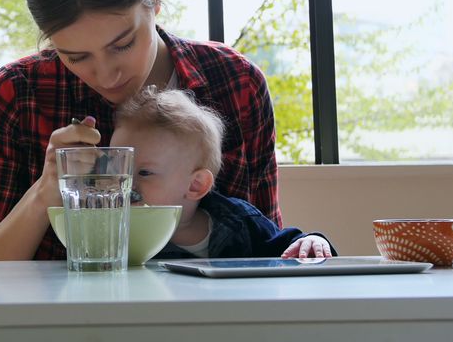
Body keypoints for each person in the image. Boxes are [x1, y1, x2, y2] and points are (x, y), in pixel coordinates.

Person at [0, 0, 281, 261]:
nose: (107, 76)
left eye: (122, 44)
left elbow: (268, 253)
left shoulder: (235, 81)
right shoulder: (19, 94)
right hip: (59, 313)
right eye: (76, 57)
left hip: (207, 312)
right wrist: (45, 191)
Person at [111, 86, 334, 259]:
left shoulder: (240, 221)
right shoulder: (115, 231)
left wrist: (311, 242)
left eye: (145, 172)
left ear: (195, 185)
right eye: (118, 171)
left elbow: (287, 248)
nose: (126, 184)